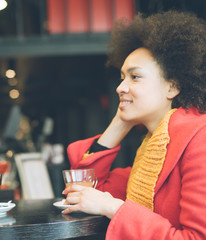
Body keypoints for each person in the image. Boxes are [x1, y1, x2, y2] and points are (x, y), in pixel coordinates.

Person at [62, 10, 206, 239]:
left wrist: (114, 208)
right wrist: (120, 122)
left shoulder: (199, 139)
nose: (120, 87)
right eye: (122, 77)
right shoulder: (151, 148)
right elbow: (84, 189)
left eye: (135, 77)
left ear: (172, 87)